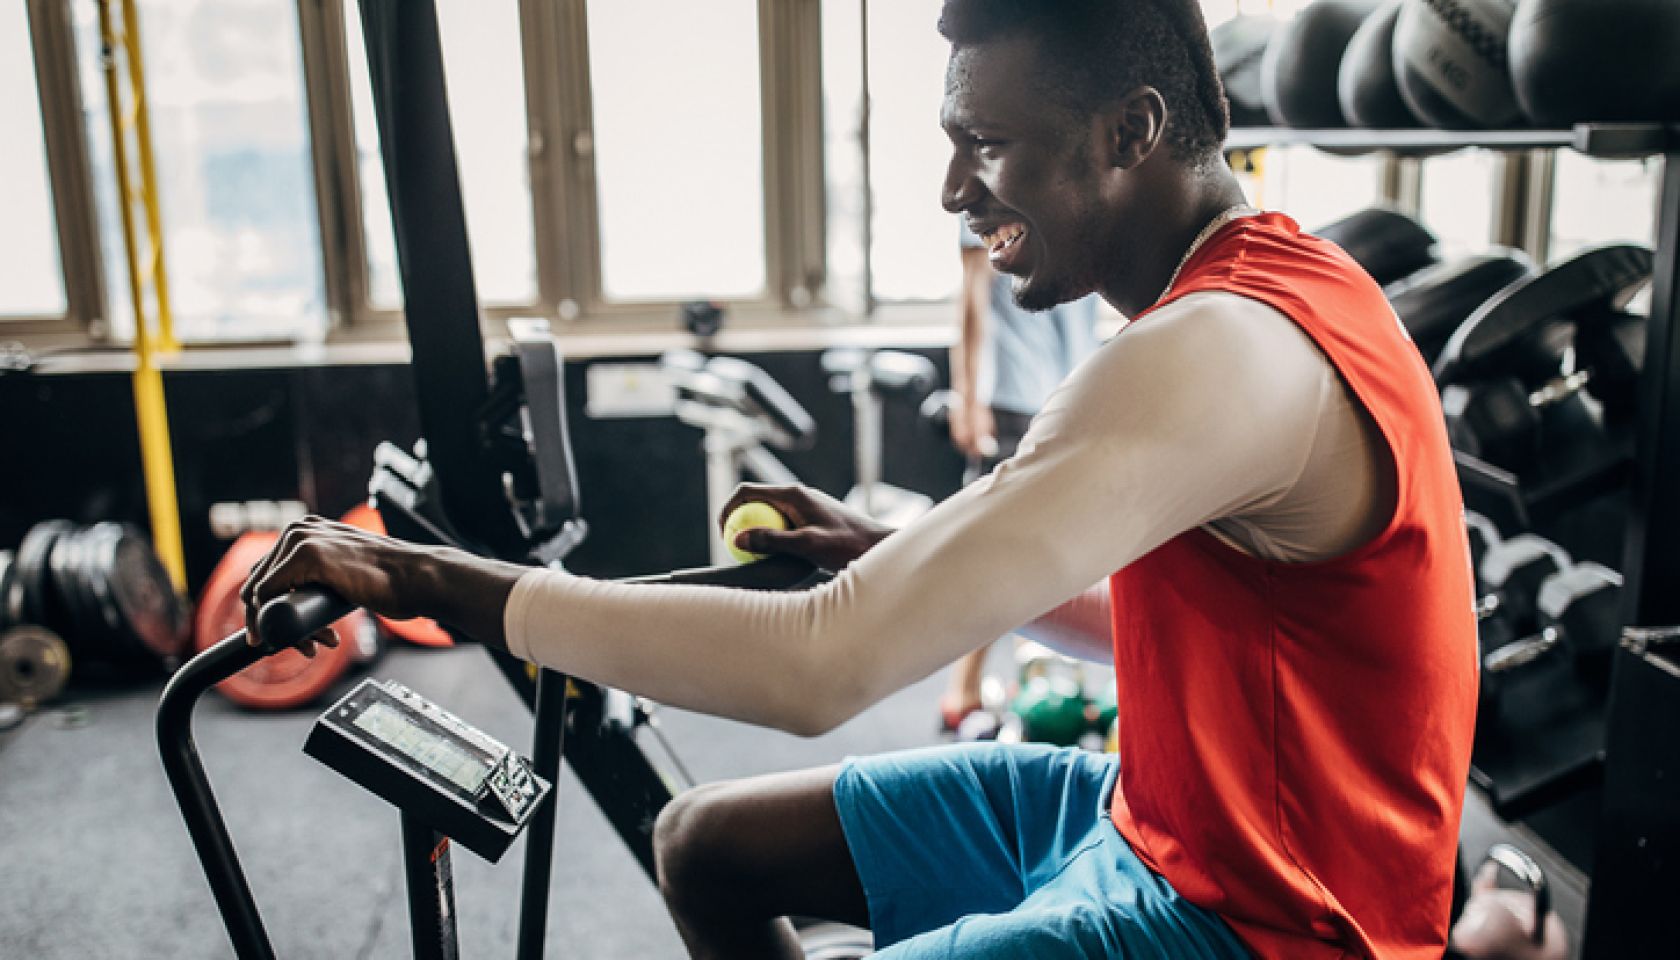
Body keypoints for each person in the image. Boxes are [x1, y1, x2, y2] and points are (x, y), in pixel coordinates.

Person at [242, 1, 1477, 957]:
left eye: (985, 146)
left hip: (1272, 926)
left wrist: (441, 581)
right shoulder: (1253, 293)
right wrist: (894, 555)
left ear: (1131, 133)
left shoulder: (1216, 349)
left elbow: (819, 670)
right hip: (1155, 815)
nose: (953, 190)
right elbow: (1165, 622)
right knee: (707, 846)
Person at [940, 220, 1101, 736]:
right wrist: (968, 395)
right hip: (1011, 392)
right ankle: (962, 688)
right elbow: (971, 297)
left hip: (1071, 387)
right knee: (995, 548)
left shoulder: (1086, 191)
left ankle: (1036, 681)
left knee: (1054, 548)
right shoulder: (989, 193)